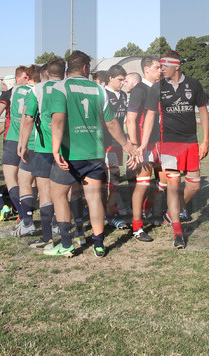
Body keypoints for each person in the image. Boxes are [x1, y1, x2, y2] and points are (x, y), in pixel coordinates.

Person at [44, 51, 139, 257]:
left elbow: (58, 119)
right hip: (95, 153)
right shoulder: (99, 89)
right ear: (86, 68)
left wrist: (55, 147)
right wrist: (126, 144)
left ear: (70, 68)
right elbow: (112, 123)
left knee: (59, 195)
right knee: (95, 198)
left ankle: (68, 244)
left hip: (70, 154)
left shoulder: (61, 87)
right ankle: (99, 244)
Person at [140, 50, 209, 249]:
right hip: (169, 143)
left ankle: (172, 212)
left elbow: (203, 111)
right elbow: (151, 116)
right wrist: (144, 143)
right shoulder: (157, 88)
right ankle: (178, 232)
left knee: (194, 186)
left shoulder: (194, 85)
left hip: (191, 142)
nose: (161, 70)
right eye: (159, 66)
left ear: (176, 66)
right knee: (173, 185)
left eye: (164, 66)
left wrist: (206, 141)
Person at [19, 58, 65, 249]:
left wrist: (22, 144)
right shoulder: (67, 87)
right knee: (66, 193)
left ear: (44, 74)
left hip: (45, 148)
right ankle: (72, 234)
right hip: (66, 148)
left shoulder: (37, 89)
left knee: (45, 193)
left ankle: (47, 239)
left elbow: (28, 119)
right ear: (64, 73)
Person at [126, 56, 162, 242]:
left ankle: (147, 209)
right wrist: (134, 146)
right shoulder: (139, 90)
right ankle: (137, 226)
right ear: (146, 69)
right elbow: (130, 119)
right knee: (143, 184)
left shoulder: (159, 88)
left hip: (160, 143)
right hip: (143, 145)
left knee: (163, 183)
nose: (160, 70)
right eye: (157, 67)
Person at [4, 66, 38, 237]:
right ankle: (27, 215)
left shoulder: (15, 90)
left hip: (13, 138)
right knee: (31, 182)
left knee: (12, 180)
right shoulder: (40, 91)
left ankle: (24, 217)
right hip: (33, 140)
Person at [102, 64, 130, 229]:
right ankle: (110, 213)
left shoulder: (124, 96)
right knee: (110, 178)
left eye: (125, 80)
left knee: (114, 178)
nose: (123, 83)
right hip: (106, 143)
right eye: (120, 80)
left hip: (119, 143)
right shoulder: (103, 94)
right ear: (110, 78)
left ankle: (111, 209)